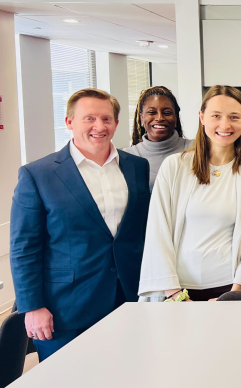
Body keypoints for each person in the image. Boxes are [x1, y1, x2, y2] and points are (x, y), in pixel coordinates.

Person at [10, 89, 150, 360]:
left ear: (116, 124)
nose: (99, 126)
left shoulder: (136, 167)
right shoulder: (38, 175)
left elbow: (140, 233)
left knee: (129, 372)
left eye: (106, 119)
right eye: (89, 119)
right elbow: (24, 247)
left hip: (129, 298)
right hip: (65, 307)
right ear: (69, 122)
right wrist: (33, 307)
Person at [138, 85, 241, 302]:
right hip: (176, 291)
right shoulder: (174, 167)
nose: (225, 125)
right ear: (202, 117)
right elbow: (158, 233)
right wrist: (176, 296)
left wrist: (231, 296)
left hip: (230, 289)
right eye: (216, 116)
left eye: (233, 117)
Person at [124, 86, 193, 190]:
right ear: (142, 118)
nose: (159, 118)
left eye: (167, 113)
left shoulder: (196, 148)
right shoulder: (127, 157)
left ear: (175, 118)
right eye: (152, 112)